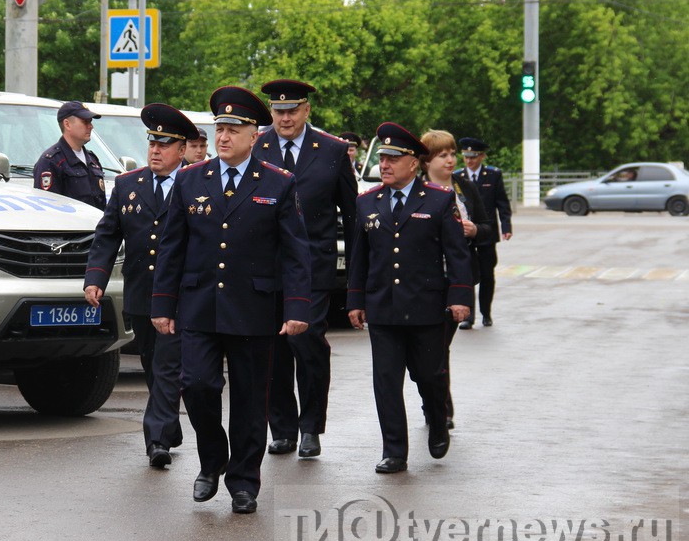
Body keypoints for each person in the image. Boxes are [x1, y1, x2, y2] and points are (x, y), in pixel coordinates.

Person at [151, 86, 311, 514]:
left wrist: (297, 308)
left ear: (253, 135)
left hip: (253, 309)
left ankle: (243, 482)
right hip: (199, 306)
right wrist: (162, 304)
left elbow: (296, 252)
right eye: (218, 128)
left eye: (233, 129)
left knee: (248, 399)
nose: (223, 137)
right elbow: (171, 246)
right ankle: (212, 459)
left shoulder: (278, 183)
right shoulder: (189, 179)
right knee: (197, 385)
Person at [347, 122, 473, 474]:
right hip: (383, 308)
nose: (384, 165)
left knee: (429, 377)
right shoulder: (366, 202)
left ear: (413, 163)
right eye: (382, 158)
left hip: (426, 308)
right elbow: (360, 256)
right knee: (386, 381)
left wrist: (460, 297)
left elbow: (457, 253)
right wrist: (355, 301)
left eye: (393, 159)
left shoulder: (438, 199)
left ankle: (436, 420)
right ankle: (394, 451)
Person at [84, 103, 193, 469]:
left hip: (180, 296)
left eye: (165, 145)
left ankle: (157, 439)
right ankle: (169, 423)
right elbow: (108, 233)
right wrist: (96, 277)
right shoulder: (128, 184)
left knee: (166, 365)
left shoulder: (196, 184)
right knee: (151, 360)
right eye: (152, 144)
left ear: (181, 150)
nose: (156, 151)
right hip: (140, 293)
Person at [255, 79, 358, 459]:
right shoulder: (258, 145)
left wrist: (358, 280)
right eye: (278, 111)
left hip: (313, 267)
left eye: (292, 110)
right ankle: (281, 427)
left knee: (306, 340)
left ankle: (311, 425)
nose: (284, 117)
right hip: (265, 268)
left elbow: (351, 213)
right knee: (273, 349)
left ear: (306, 110)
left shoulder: (332, 150)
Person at [419, 129, 493, 430]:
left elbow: (489, 226)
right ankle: (434, 402)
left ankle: (441, 407)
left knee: (439, 347)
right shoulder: (417, 189)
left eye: (452, 154)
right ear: (426, 161)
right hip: (425, 281)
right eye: (443, 155)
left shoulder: (463, 187)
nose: (451, 160)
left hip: (457, 280)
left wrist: (474, 230)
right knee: (430, 351)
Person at [455, 137, 513, 327]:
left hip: (487, 234)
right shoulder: (457, 177)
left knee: (487, 275)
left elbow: (502, 203)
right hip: (467, 235)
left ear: (482, 156)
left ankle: (486, 312)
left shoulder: (493, 175)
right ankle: (468, 317)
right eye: (466, 156)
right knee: (468, 275)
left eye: (473, 156)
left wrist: (506, 227)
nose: (469, 160)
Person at [33, 101, 107, 210]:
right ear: (67, 124)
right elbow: (48, 209)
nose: (91, 126)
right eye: (85, 122)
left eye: (90, 122)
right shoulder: (51, 161)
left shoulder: (92, 160)